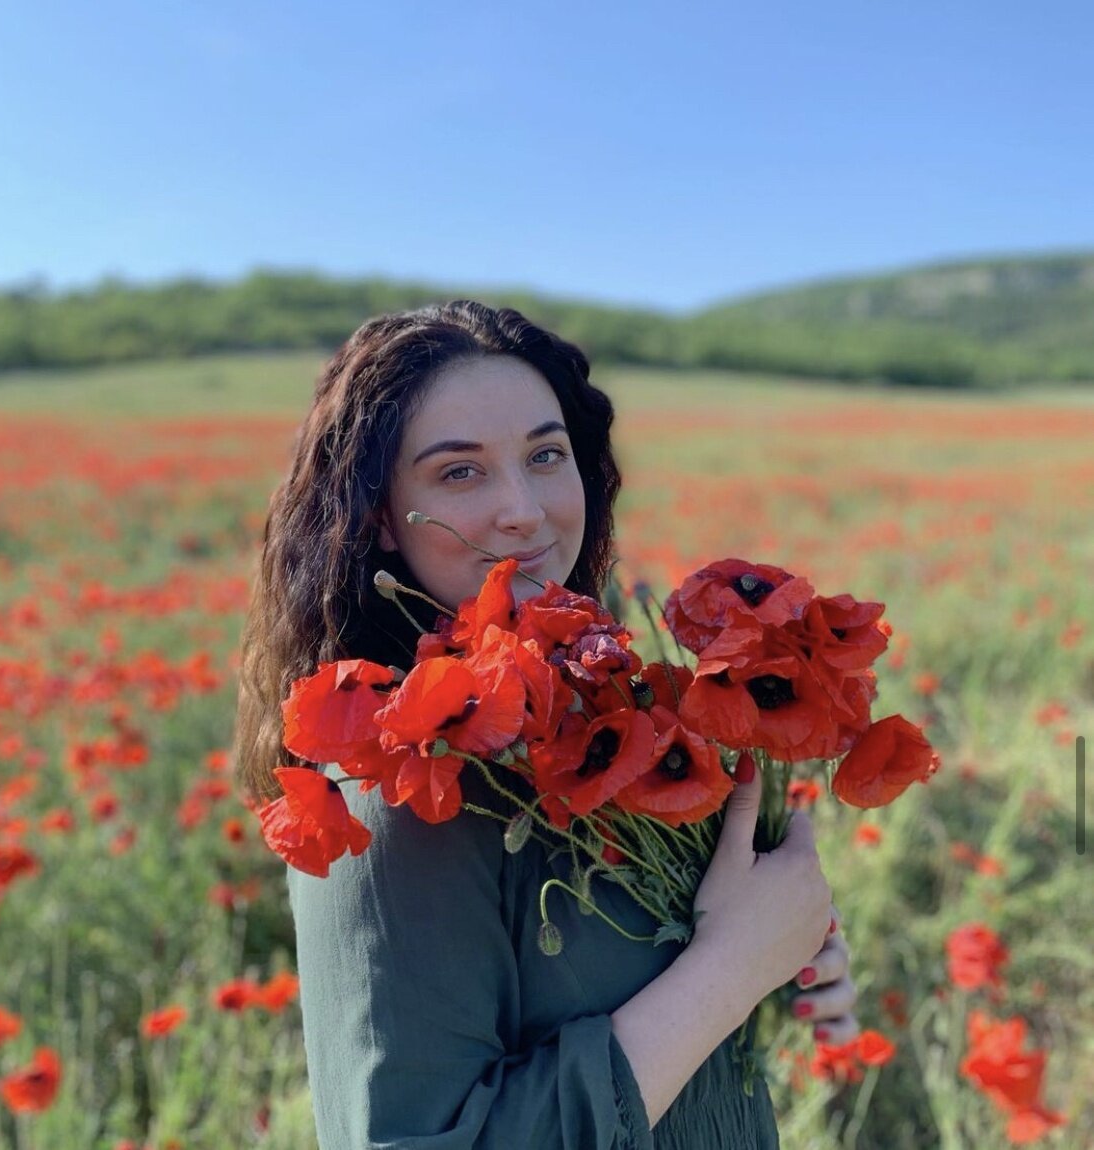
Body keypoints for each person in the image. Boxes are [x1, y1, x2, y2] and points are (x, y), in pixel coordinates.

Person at [234, 300, 859, 1149]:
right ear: (378, 515)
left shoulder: (608, 721)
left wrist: (782, 963)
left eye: (545, 455)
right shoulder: (392, 793)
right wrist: (731, 967)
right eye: (460, 472)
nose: (523, 509)